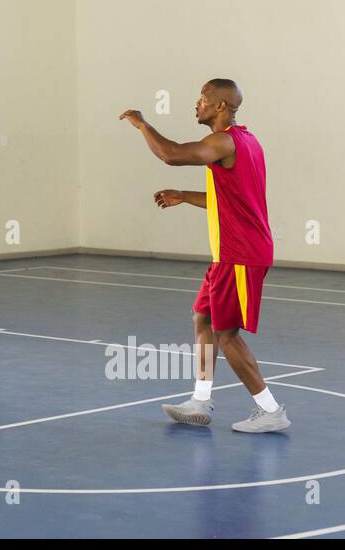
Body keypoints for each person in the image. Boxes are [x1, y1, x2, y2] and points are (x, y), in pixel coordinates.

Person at [120, 79, 288, 433]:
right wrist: (184, 195)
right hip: (230, 253)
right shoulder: (246, 142)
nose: (197, 105)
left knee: (227, 334)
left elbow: (172, 154)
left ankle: (270, 409)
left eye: (203, 100)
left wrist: (142, 124)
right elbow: (226, 200)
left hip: (240, 253)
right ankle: (200, 400)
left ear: (221, 106)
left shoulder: (223, 141)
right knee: (202, 318)